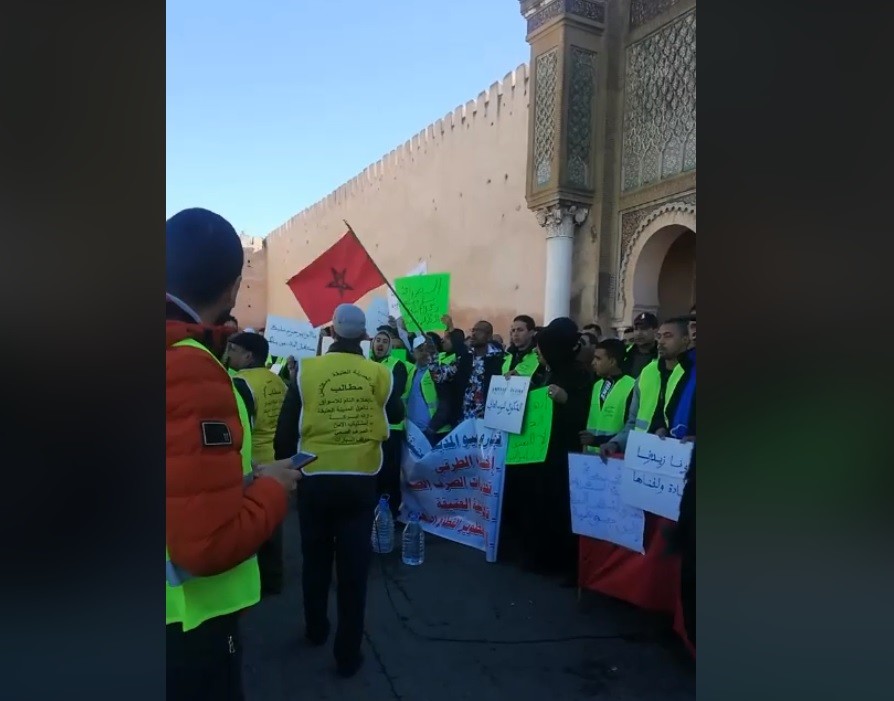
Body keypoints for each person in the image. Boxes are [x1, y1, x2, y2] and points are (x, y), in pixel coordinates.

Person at [166, 208, 300, 701]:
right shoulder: (189, 366)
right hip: (186, 624)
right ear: (234, 287)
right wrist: (270, 488)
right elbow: (205, 547)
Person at [273, 304, 404, 678]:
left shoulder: (306, 370)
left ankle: (316, 628)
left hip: (314, 478)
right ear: (364, 337)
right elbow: (395, 416)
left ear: (331, 333)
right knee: (353, 569)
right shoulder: (377, 372)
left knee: (314, 557)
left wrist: (288, 472)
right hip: (361, 479)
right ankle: (348, 653)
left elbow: (287, 429)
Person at [520, 318, 593, 583]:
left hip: (563, 455)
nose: (537, 352)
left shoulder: (580, 375)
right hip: (538, 452)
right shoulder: (542, 373)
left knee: (560, 506)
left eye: (542, 347)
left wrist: (566, 401)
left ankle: (562, 563)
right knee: (538, 502)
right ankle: (538, 556)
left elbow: (586, 416)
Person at [226, 330, 290, 597]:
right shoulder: (278, 381)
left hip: (255, 462)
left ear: (248, 356)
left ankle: (252, 582)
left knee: (251, 522)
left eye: (233, 349)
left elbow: (241, 426)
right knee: (274, 520)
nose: (228, 354)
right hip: (278, 458)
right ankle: (274, 578)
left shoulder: (241, 383)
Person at [600, 317, 695, 459]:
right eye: (659, 337)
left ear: (686, 339)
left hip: (684, 459)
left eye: (668, 336)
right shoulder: (647, 373)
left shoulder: (691, 376)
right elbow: (632, 423)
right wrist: (615, 443)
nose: (661, 342)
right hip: (645, 459)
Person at [428, 315, 504, 424]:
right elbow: (439, 376)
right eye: (473, 330)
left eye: (479, 331)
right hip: (463, 422)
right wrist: (432, 355)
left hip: (488, 422)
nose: (473, 334)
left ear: (489, 336)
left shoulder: (500, 359)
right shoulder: (464, 359)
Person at [369, 328, 410, 518]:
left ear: (390, 347)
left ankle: (390, 514)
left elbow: (395, 391)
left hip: (391, 428)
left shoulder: (397, 365)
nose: (380, 344)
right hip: (369, 427)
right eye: (377, 340)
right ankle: (373, 513)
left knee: (389, 474)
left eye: (385, 342)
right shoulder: (365, 363)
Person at [579, 339, 636, 453]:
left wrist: (597, 440)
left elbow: (631, 426)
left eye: (598, 358)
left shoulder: (632, 385)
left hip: (616, 455)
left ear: (612, 361)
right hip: (591, 457)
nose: (593, 362)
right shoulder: (597, 385)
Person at [406, 335, 453, 442]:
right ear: (413, 353)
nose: (424, 352)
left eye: (427, 349)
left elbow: (447, 401)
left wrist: (433, 427)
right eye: (420, 349)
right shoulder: (411, 372)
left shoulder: (440, 370)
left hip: (434, 432)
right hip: (414, 432)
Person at [622, 311, 659, 378]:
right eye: (636, 329)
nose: (638, 333)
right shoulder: (624, 354)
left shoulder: (662, 355)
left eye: (644, 329)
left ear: (655, 331)